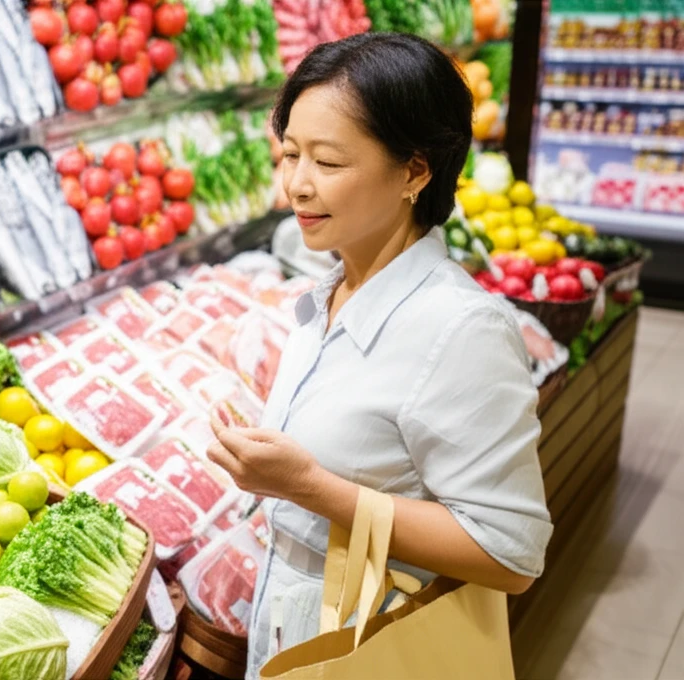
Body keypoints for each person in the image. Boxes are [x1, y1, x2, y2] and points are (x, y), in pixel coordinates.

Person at [205, 32, 553, 678]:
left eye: (328, 164)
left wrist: (309, 487)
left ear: (415, 171)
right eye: (290, 154)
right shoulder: (331, 291)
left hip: (372, 646)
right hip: (297, 631)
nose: (297, 186)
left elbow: (510, 554)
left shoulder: (461, 331)